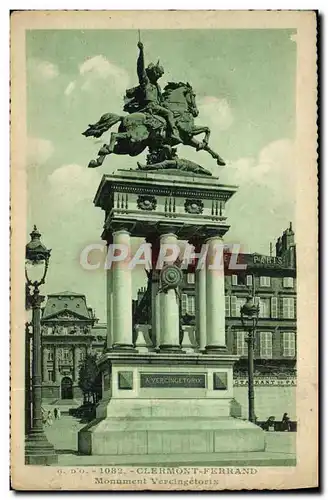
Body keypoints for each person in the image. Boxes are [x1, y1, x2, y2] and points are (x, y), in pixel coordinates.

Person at [135, 41, 180, 142]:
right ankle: (174, 133)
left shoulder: (157, 87)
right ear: (153, 73)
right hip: (150, 107)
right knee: (169, 114)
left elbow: (161, 100)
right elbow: (140, 67)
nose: (159, 77)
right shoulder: (145, 81)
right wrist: (141, 51)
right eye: (157, 74)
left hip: (156, 107)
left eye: (160, 75)